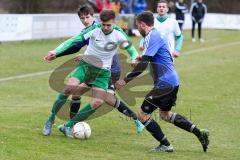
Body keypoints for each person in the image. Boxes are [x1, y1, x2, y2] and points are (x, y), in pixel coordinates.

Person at [116, 11, 209, 152]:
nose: (138, 29)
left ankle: (165, 145)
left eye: (138, 26)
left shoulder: (150, 37)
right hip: (173, 81)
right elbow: (157, 56)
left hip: (164, 83)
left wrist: (125, 80)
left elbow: (142, 66)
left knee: (142, 115)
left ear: (142, 24)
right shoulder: (157, 34)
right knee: (165, 115)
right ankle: (199, 132)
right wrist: (143, 59)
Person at [42, 8, 144, 137]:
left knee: (98, 102)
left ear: (114, 23)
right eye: (103, 24)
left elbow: (132, 50)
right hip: (86, 66)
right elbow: (72, 41)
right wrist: (55, 51)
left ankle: (67, 126)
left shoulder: (119, 34)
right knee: (69, 89)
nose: (106, 28)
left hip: (103, 72)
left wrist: (135, 58)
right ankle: (50, 120)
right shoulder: (94, 29)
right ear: (100, 21)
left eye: (109, 25)